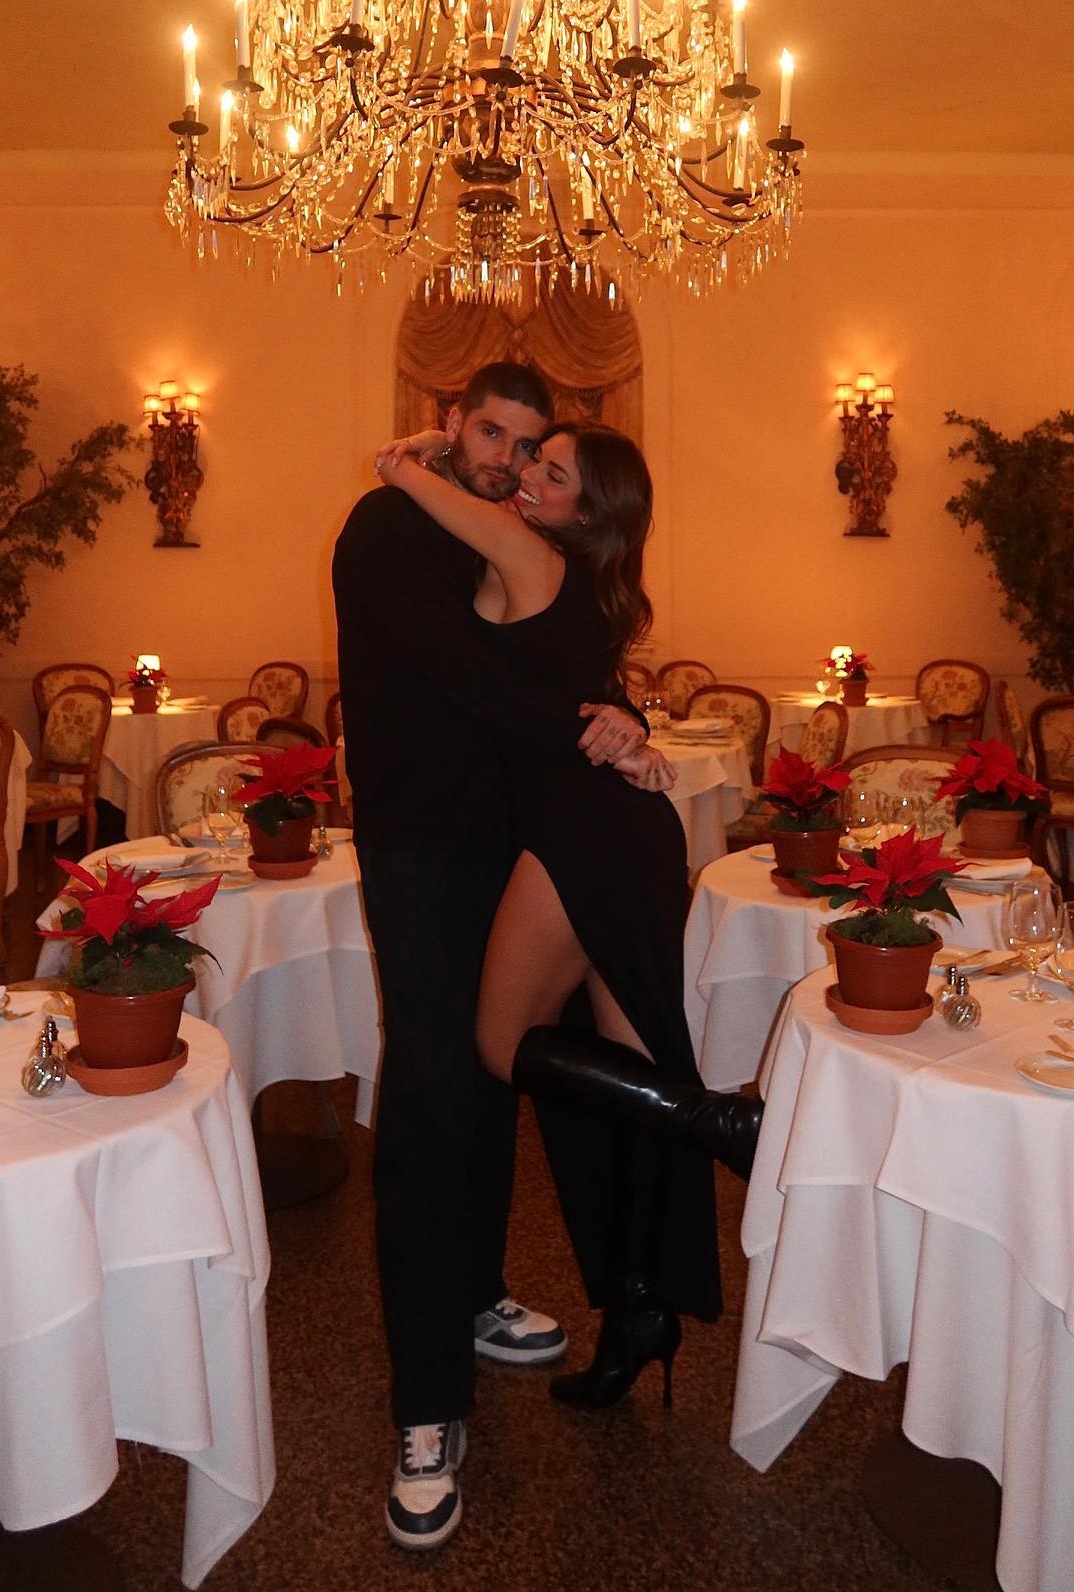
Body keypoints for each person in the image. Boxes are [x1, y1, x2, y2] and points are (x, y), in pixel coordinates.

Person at [374, 418, 760, 1418]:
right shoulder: (588, 578)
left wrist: (413, 456)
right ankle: (639, 1312)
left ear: (585, 513)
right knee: (629, 1086)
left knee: (502, 1048)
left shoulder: (524, 548)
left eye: (550, 474)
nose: (525, 481)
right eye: (530, 465)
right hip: (622, 832)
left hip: (579, 837)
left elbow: (405, 478)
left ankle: (716, 1120)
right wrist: (629, 727)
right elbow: (574, 693)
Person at [332, 363, 650, 1552]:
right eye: (492, 433)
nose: (508, 459)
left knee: (491, 1074)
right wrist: (590, 729)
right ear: (452, 424)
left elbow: (555, 659)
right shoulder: (386, 528)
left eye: (526, 445)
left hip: (510, 849)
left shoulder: (509, 536)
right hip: (419, 849)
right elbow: (467, 678)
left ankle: (470, 1293)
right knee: (427, 1105)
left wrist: (621, 716)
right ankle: (425, 1410)